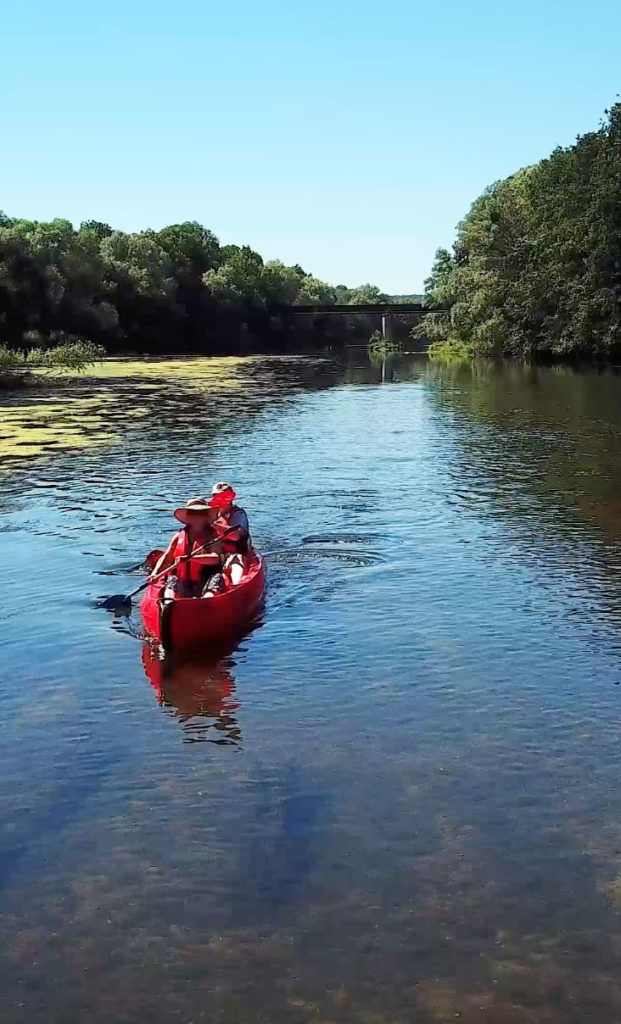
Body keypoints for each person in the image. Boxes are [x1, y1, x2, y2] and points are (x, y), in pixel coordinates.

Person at [151, 497, 223, 599]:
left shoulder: (213, 536)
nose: (196, 517)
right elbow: (167, 556)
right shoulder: (178, 536)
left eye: (201, 514)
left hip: (205, 580)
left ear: (206, 516)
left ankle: (205, 601)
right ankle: (168, 603)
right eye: (192, 513)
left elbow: (215, 558)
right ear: (188, 516)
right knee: (172, 579)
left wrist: (191, 558)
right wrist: (155, 573)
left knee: (217, 578)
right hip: (182, 581)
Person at [204, 481, 251, 590]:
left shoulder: (238, 514)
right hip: (216, 553)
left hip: (237, 553)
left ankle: (236, 588)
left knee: (236, 559)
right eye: (217, 496)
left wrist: (215, 526)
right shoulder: (212, 514)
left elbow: (236, 536)